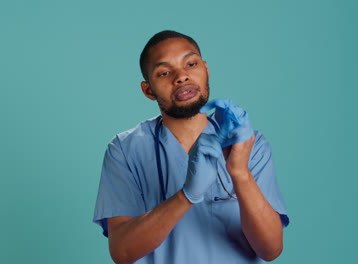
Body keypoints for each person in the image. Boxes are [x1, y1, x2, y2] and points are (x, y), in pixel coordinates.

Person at [93, 30, 289, 264]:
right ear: (148, 90)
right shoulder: (125, 150)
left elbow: (271, 250)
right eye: (164, 72)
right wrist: (186, 195)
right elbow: (122, 252)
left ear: (205, 69)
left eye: (191, 64)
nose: (181, 77)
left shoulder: (249, 145)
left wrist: (240, 173)